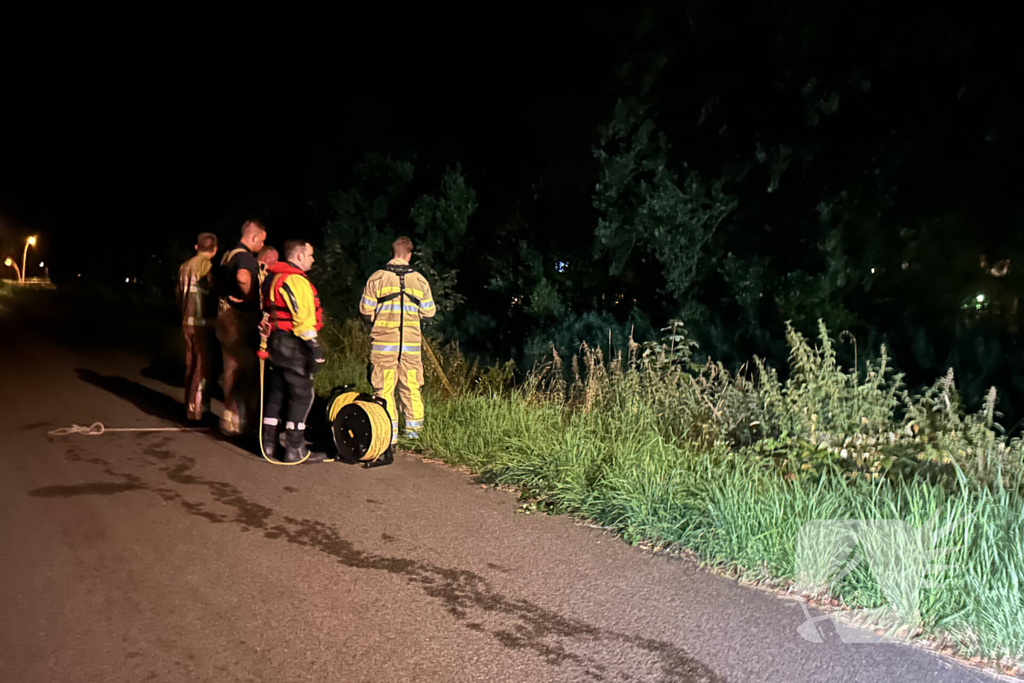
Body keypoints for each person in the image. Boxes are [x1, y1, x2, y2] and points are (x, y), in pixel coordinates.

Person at [359, 236, 435, 443]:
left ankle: (388, 435)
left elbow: (365, 312)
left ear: (392, 253)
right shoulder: (420, 280)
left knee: (384, 387)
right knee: (411, 386)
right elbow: (429, 312)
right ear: (409, 255)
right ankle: (414, 434)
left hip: (384, 346)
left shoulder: (377, 278)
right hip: (410, 347)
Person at [260, 240, 325, 463]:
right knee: (302, 395)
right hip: (293, 343)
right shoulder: (295, 280)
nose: (312, 259)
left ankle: (268, 445)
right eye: (310, 255)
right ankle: (295, 449)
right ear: (298, 256)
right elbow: (303, 319)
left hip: (275, 343)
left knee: (276, 394)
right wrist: (315, 348)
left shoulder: (272, 277)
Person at [215, 220, 266, 436]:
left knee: (230, 367)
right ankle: (247, 421)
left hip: (225, 316)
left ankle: (230, 418)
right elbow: (242, 277)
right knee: (246, 370)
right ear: (253, 237)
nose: (262, 246)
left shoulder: (228, 254)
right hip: (239, 319)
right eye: (261, 241)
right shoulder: (244, 256)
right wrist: (251, 297)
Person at [175, 232, 219, 421]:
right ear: (215, 249)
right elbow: (213, 294)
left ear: (197, 247)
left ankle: (189, 404)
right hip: (203, 324)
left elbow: (178, 295)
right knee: (202, 367)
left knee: (190, 364)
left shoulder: (184, 267)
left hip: (187, 322)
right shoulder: (206, 266)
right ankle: (197, 410)